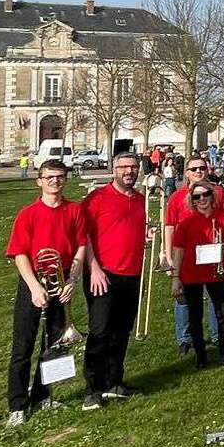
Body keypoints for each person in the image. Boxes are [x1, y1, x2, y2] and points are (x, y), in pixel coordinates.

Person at [3, 159, 89, 427]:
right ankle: (17, 404)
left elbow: (81, 248)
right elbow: (19, 254)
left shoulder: (75, 210)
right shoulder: (27, 214)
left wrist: (72, 280)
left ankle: (43, 395)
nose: (55, 181)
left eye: (60, 176)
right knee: (23, 345)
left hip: (61, 279)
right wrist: (34, 287)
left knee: (53, 344)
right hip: (34, 282)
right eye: (49, 177)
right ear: (39, 181)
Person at [80, 152, 148, 410]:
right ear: (113, 169)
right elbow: (83, 236)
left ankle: (114, 382)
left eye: (133, 167)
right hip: (103, 274)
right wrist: (94, 267)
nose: (129, 172)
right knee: (100, 331)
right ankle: (93, 388)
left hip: (132, 274)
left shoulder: (142, 201)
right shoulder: (97, 198)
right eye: (123, 167)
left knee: (122, 331)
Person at [164, 156, 224, 354]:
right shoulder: (177, 196)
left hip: (212, 256)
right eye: (193, 169)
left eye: (202, 168)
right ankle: (185, 338)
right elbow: (169, 227)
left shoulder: (218, 192)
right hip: (185, 255)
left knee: (214, 300)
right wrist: (168, 255)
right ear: (187, 173)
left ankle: (218, 335)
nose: (198, 171)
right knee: (183, 299)